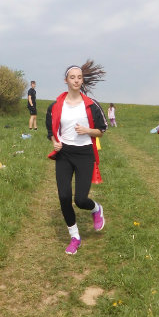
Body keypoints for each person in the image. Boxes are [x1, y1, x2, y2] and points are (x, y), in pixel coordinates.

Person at [46, 60, 108, 255]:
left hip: (84, 154)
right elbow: (50, 129)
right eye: (72, 77)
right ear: (66, 80)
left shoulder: (91, 105)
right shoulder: (56, 105)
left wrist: (87, 130)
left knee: (80, 199)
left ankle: (96, 209)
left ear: (82, 81)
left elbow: (102, 131)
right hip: (64, 154)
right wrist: (54, 142)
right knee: (64, 197)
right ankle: (75, 237)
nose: (76, 80)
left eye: (79, 77)